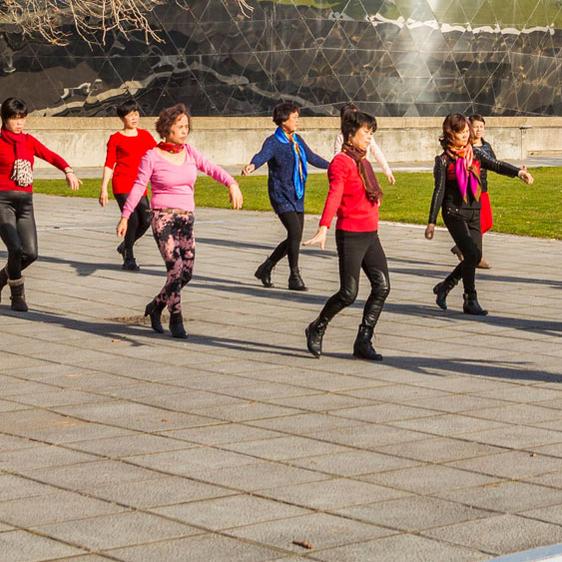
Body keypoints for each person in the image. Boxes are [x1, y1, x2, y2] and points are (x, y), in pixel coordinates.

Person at [116, 103, 243, 338]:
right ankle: (176, 317)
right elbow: (138, 187)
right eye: (179, 126)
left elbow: (212, 168)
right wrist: (125, 216)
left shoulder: (190, 152)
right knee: (174, 269)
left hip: (186, 219)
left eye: (187, 126)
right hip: (163, 218)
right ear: (166, 128)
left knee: (187, 273)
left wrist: (232, 183)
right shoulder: (151, 156)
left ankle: (156, 306)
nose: (185, 131)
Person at [425, 113, 533, 316]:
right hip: (454, 212)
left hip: (475, 209)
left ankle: (445, 287)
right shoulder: (443, 161)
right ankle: (470, 299)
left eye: (467, 131)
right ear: (450, 134)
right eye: (461, 132)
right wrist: (431, 222)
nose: (466, 135)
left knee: (473, 257)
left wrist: (519, 173)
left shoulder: (475, 154)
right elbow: (438, 191)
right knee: (472, 254)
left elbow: (497, 165)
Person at [304, 111, 389, 361]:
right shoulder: (341, 162)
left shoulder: (364, 162)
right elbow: (335, 195)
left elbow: (366, 193)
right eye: (365, 133)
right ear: (350, 134)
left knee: (382, 286)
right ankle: (317, 326)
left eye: (371, 134)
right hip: (351, 235)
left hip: (370, 234)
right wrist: (323, 227)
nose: (369, 139)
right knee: (348, 293)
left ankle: (364, 340)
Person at [0, 97, 80, 312]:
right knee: (15, 249)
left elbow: (50, 156)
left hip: (25, 203)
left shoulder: (28, 141)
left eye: (22, 118)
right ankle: (17, 296)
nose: (19, 122)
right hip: (2, 201)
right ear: (5, 119)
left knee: (31, 253)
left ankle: (1, 278)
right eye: (14, 118)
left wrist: (68, 170)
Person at [242, 101, 329, 291]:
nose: (297, 121)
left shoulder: (297, 140)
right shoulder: (273, 142)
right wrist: (252, 165)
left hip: (297, 194)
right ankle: (294, 276)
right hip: (280, 194)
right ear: (283, 120)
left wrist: (333, 165)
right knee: (295, 233)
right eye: (295, 117)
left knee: (294, 236)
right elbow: (262, 155)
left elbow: (312, 158)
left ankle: (266, 267)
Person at [99, 100, 156, 270]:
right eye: (130, 115)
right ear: (122, 118)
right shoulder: (116, 138)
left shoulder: (145, 135)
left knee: (146, 219)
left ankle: (124, 245)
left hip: (140, 184)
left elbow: (157, 154)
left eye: (136, 113)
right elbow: (109, 164)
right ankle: (129, 256)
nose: (134, 117)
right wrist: (104, 189)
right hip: (122, 184)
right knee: (132, 219)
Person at [333, 103, 395, 186]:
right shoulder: (341, 137)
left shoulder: (366, 136)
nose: (369, 136)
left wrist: (387, 171)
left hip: (364, 172)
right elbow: (337, 157)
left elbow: (376, 151)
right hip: (349, 176)